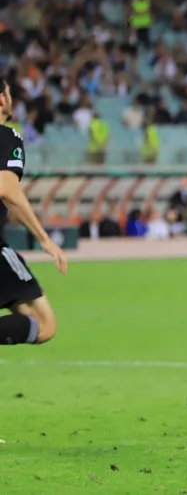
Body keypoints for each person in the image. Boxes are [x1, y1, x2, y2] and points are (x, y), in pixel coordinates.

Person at [0, 78, 69, 357]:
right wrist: (44, 239)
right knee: (43, 324)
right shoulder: (7, 137)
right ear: (1, 100)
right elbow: (7, 191)